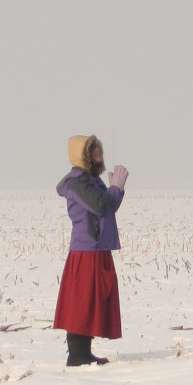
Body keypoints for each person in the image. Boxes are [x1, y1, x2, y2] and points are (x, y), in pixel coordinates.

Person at [53, 134, 128, 366]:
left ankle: (83, 352)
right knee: (82, 301)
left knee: (92, 299)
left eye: (99, 152)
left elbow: (107, 207)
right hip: (87, 249)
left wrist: (116, 190)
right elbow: (100, 204)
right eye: (94, 153)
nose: (99, 157)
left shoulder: (90, 180)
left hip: (97, 248)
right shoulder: (78, 182)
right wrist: (115, 189)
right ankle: (77, 354)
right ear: (84, 156)